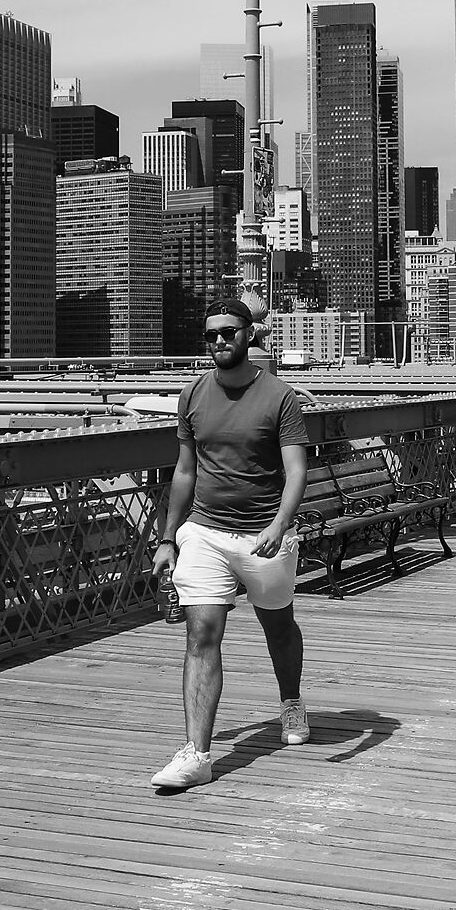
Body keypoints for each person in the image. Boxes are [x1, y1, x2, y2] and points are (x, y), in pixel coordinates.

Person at [148, 299, 315, 791]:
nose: (219, 341)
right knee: (201, 634)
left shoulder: (281, 398)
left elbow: (296, 470)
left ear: (249, 335)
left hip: (264, 535)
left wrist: (280, 525)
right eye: (211, 335)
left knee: (278, 625)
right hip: (205, 530)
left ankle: (290, 700)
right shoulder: (192, 395)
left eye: (228, 332)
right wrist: (167, 537)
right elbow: (184, 471)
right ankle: (197, 754)